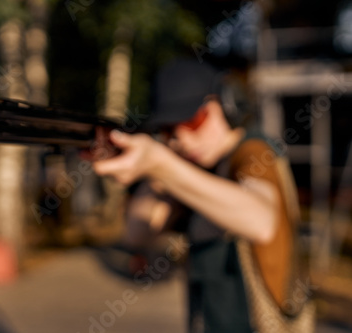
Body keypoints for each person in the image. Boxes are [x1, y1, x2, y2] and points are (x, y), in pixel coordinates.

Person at [92, 59, 302, 332]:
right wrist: (154, 169)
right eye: (169, 131)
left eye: (193, 121)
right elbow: (136, 232)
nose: (184, 140)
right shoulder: (192, 170)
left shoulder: (253, 151)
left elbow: (261, 221)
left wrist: (164, 166)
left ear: (228, 103)